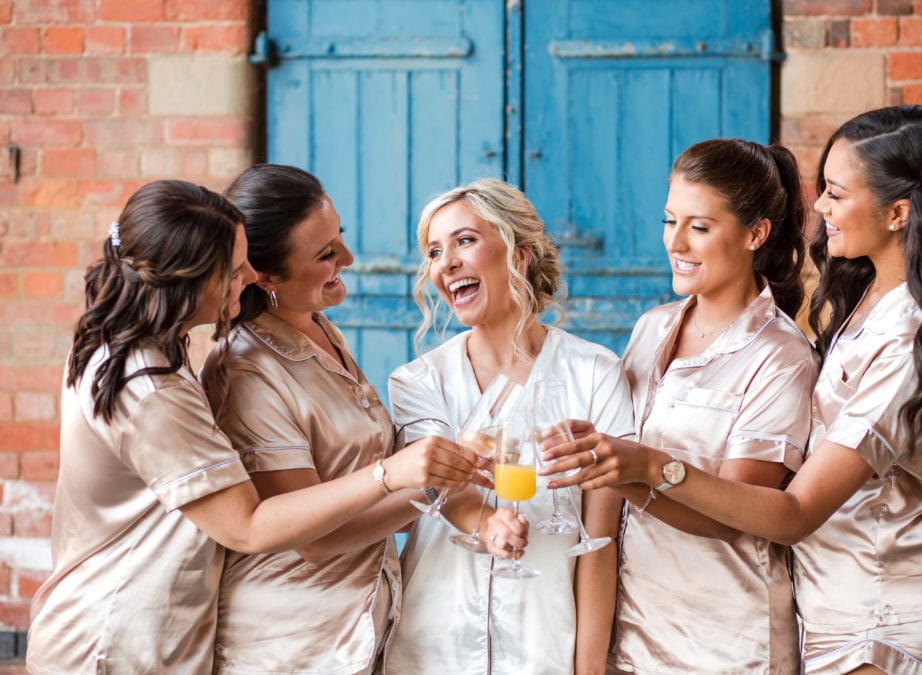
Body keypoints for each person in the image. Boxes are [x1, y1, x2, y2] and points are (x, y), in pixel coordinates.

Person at [545, 105, 922, 674]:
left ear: (899, 213)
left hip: (880, 600)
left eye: (837, 195)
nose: (818, 207)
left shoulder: (902, 341)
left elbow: (792, 512)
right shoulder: (867, 296)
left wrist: (648, 467)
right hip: (830, 593)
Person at [26, 180, 477, 674]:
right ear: (189, 279)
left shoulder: (147, 345)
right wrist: (393, 476)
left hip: (164, 633)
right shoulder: (150, 386)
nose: (250, 274)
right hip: (116, 640)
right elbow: (248, 525)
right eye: (235, 268)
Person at [523, 138, 818, 673]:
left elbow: (741, 517)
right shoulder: (653, 326)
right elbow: (624, 472)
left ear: (756, 234)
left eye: (699, 227)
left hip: (726, 643)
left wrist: (640, 466)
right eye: (669, 220)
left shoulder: (781, 357)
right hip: (634, 632)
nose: (675, 242)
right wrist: (600, 460)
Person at [200, 164, 490, 674]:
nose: (349, 260)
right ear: (264, 276)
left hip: (355, 630)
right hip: (291, 645)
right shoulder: (246, 371)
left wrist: (445, 477)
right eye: (325, 254)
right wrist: (424, 488)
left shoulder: (318, 327)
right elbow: (314, 539)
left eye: (341, 238)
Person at [383, 179, 635, 675]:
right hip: (432, 643)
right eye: (435, 251)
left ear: (519, 255)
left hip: (547, 641)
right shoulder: (418, 381)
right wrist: (485, 521)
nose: (446, 263)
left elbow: (601, 540)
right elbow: (440, 488)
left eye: (465, 241)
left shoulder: (595, 373)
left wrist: (588, 668)